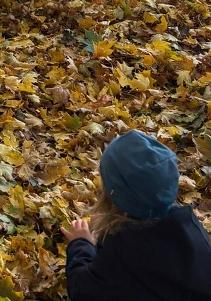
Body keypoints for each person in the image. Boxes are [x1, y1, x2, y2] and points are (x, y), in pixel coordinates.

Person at [62, 129, 211, 301]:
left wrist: (81, 244)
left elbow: (82, 290)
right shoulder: (190, 226)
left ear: (112, 194)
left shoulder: (122, 250)